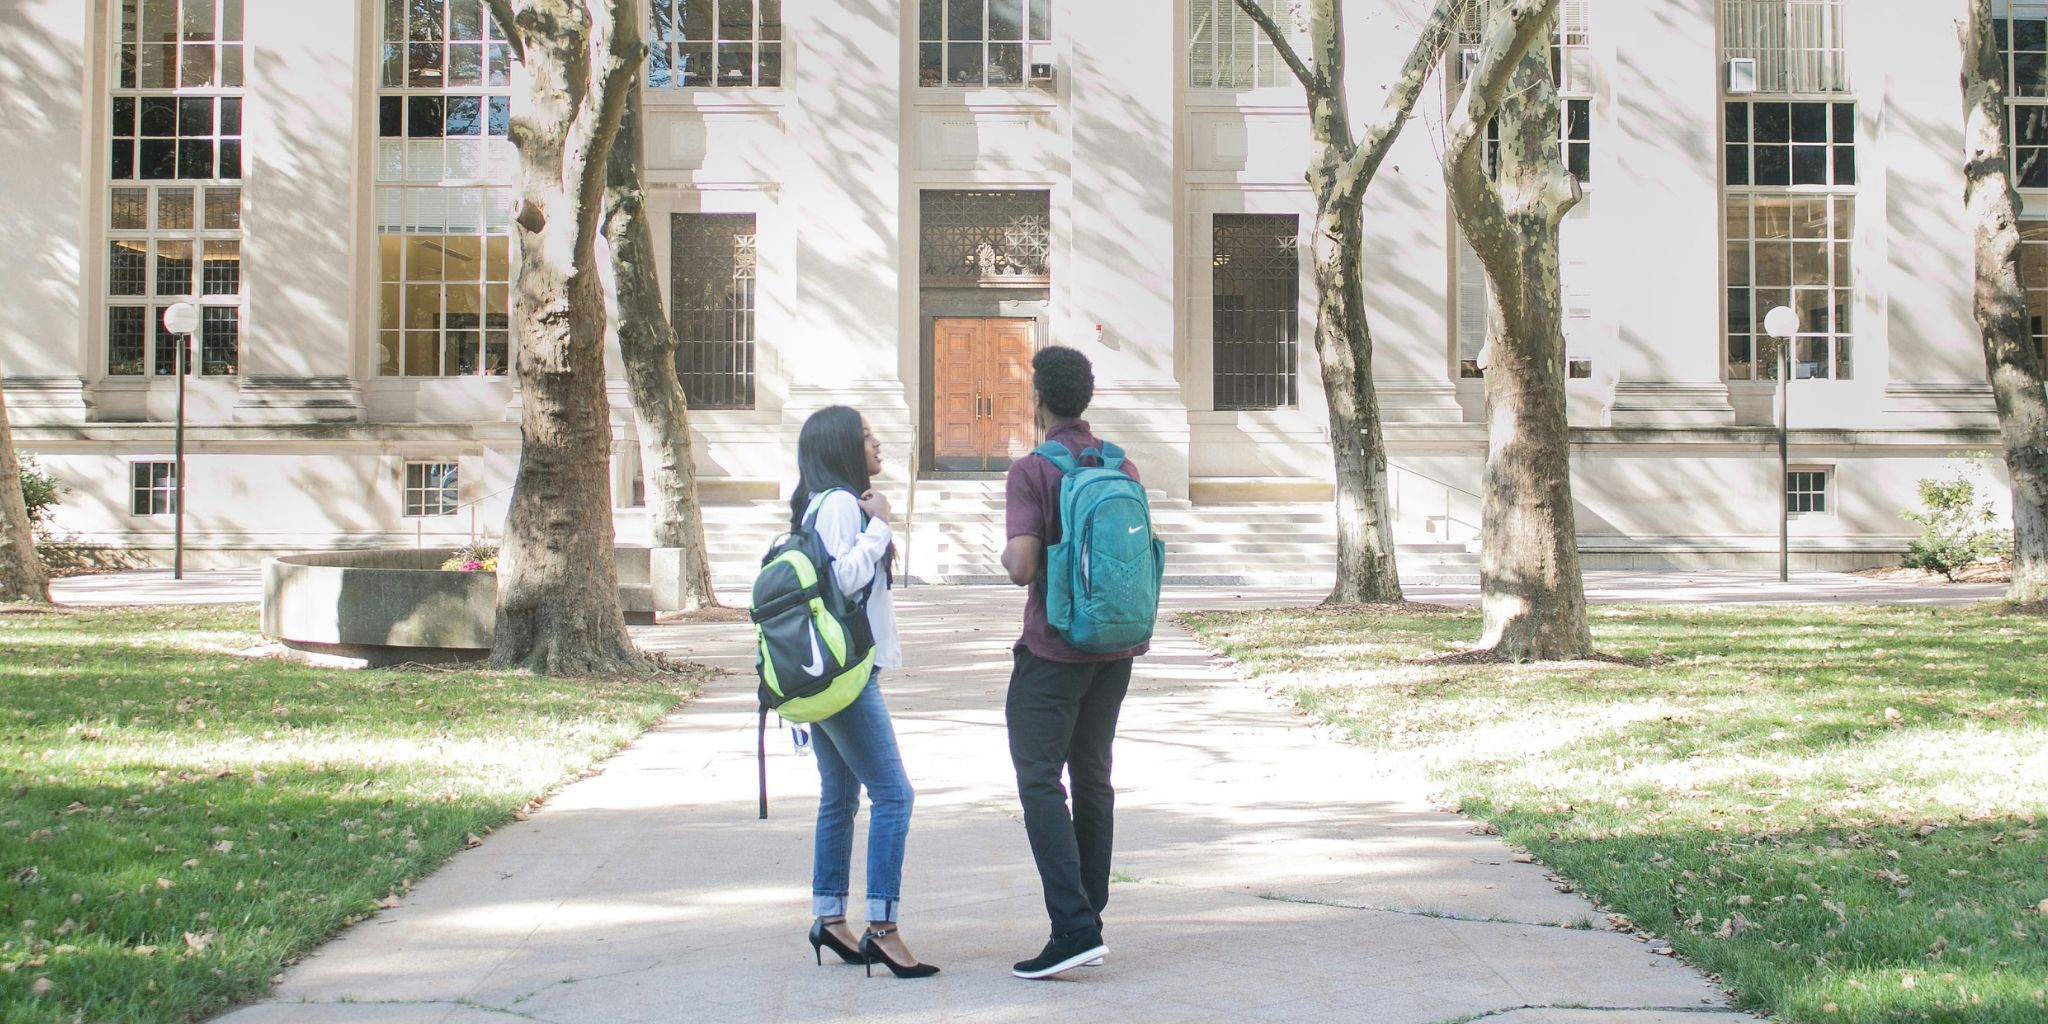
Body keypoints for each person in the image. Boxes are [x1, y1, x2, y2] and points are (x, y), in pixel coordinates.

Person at [999, 346, 1146, 980]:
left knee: (1039, 781)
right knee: (1093, 778)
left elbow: (1022, 567)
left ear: (1039, 400)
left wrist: (1007, 550)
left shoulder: (1033, 470)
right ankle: (1090, 914)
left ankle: (1073, 927)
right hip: (1115, 648)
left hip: (1054, 650)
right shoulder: (1122, 464)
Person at [789, 405, 937, 980]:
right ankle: (883, 928)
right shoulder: (843, 507)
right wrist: (881, 526)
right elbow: (845, 580)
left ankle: (829, 917)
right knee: (894, 796)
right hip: (845, 674)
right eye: (867, 435)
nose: (878, 443)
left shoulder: (818, 504)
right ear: (842, 448)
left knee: (841, 796)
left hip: (825, 671)